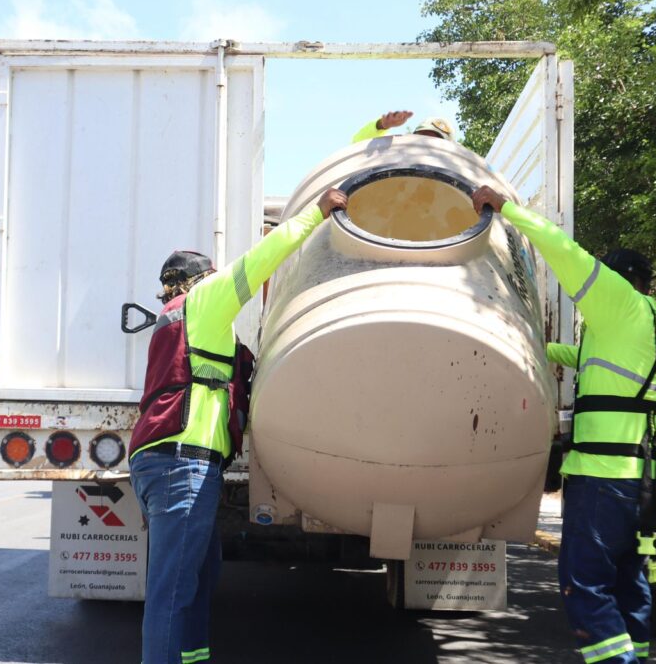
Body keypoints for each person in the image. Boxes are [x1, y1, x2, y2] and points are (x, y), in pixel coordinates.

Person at [128, 187, 348, 664]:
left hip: (164, 463)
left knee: (199, 577)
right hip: (181, 465)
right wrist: (316, 215)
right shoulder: (204, 300)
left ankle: (192, 658)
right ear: (201, 280)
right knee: (173, 591)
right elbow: (259, 261)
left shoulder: (173, 319)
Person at [471, 185, 656, 664]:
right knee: (630, 580)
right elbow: (584, 358)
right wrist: (531, 344)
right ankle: (635, 655)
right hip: (644, 480)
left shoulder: (618, 301)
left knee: (585, 582)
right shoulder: (652, 326)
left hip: (603, 478)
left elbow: (564, 250)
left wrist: (507, 210)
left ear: (621, 280)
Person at [351, 109, 456, 144]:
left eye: (435, 142)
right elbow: (358, 144)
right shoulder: (394, 159)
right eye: (423, 138)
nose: (426, 145)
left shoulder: (455, 182)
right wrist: (382, 125)